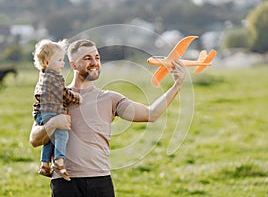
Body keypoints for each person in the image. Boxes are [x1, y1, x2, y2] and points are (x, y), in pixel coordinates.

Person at [30, 39, 185, 197]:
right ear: (73, 64)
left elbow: (151, 114)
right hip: (65, 183)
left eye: (97, 57)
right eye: (87, 58)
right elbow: (34, 139)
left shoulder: (110, 99)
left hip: (100, 181)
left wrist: (177, 85)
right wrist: (53, 123)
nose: (95, 62)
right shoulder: (55, 95)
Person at [32, 39, 82, 181]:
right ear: (47, 63)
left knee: (50, 139)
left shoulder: (43, 77)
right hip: (50, 112)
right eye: (59, 60)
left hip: (40, 113)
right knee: (62, 134)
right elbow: (64, 94)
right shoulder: (55, 78)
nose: (63, 63)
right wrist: (77, 98)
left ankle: (44, 164)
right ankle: (59, 163)